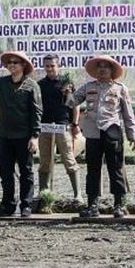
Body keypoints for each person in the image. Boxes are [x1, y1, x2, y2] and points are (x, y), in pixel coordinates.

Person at [0, 51, 42, 217]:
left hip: (24, 136)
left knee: (26, 172)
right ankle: (8, 205)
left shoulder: (32, 85)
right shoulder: (1, 82)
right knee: (5, 173)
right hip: (4, 135)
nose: (11, 65)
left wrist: (35, 136)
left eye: (15, 62)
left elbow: (37, 112)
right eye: (9, 62)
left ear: (23, 65)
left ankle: (26, 205)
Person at [71, 54, 135, 218]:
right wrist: (67, 91)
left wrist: (132, 135)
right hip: (93, 133)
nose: (102, 69)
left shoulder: (120, 88)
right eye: (99, 66)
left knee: (115, 169)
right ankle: (92, 205)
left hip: (112, 131)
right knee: (92, 169)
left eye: (106, 66)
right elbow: (71, 102)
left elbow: (128, 114)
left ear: (112, 70)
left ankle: (119, 205)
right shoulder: (88, 87)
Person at [36, 54, 81, 199]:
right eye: (47, 66)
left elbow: (75, 106)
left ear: (58, 66)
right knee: (44, 162)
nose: (49, 69)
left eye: (52, 66)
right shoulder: (40, 85)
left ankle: (77, 195)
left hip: (63, 127)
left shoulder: (67, 83)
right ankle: (44, 195)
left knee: (68, 159)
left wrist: (75, 124)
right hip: (45, 127)